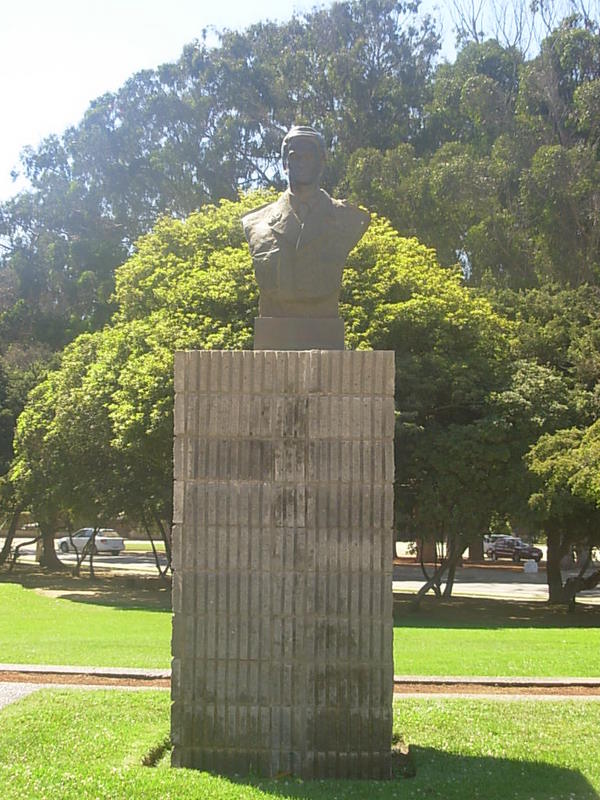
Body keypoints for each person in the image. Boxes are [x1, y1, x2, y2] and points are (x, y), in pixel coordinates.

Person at [242, 125, 369, 320]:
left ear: (322, 163)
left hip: (324, 324)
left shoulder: (349, 219)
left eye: (309, 157)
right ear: (284, 163)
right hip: (274, 329)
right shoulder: (256, 222)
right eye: (294, 157)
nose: (302, 163)